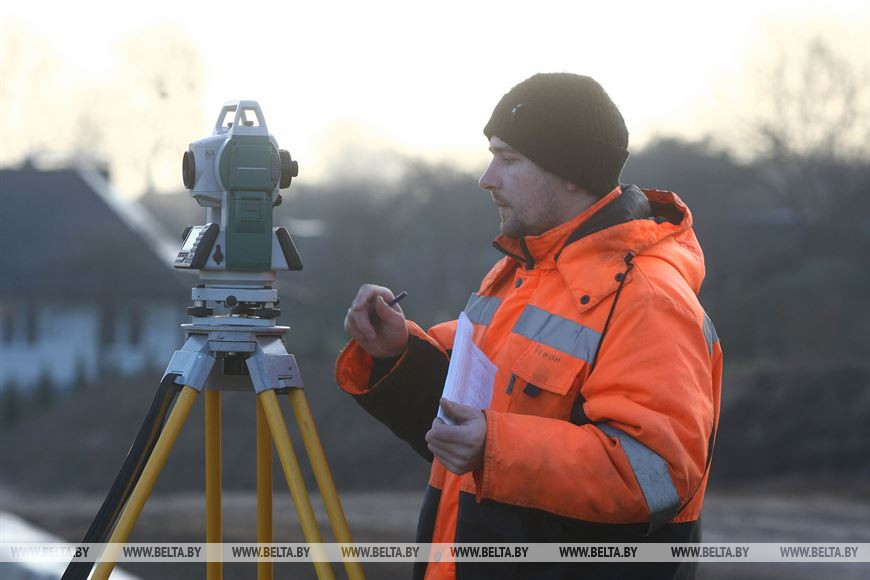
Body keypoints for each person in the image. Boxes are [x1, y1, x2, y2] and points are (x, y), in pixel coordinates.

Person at [336, 73, 722, 580]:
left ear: (571, 172)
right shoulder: (520, 273)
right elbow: (463, 420)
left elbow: (657, 475)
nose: (487, 178)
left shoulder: (649, 299)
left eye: (509, 159)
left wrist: (496, 447)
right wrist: (397, 354)